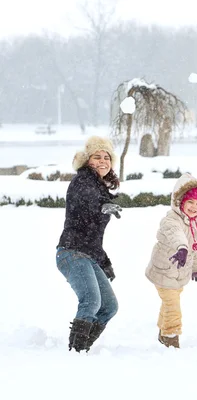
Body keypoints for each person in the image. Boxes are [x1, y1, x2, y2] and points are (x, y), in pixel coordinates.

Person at [56, 136, 122, 352]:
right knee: (91, 301)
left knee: (109, 307)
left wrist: (104, 262)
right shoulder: (83, 180)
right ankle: (76, 352)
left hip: (88, 253)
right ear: (87, 161)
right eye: (97, 157)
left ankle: (84, 347)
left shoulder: (99, 187)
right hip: (71, 253)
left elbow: (93, 235)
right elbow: (86, 202)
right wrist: (101, 206)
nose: (103, 161)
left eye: (107, 157)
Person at [145, 173, 197, 348]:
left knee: (169, 303)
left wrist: (196, 267)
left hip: (178, 273)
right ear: (179, 201)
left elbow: (195, 247)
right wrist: (181, 248)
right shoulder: (171, 220)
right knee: (173, 307)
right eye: (190, 202)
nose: (194, 207)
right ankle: (171, 338)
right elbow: (176, 235)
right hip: (164, 271)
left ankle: (162, 330)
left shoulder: (194, 223)